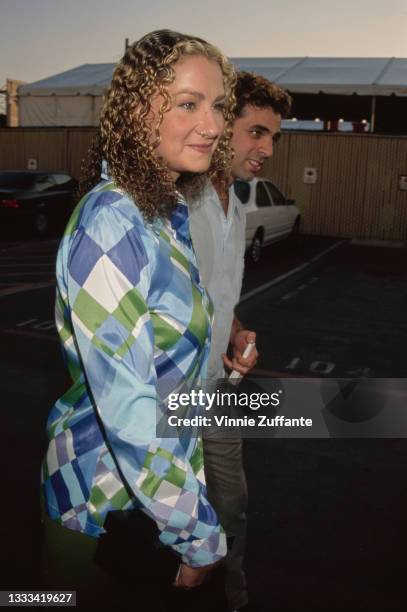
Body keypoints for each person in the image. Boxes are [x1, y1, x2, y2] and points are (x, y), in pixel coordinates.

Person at [41, 29, 237, 604]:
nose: (213, 123)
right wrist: (201, 539)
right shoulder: (113, 223)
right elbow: (129, 414)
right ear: (135, 112)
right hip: (100, 513)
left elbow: (160, 360)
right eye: (188, 103)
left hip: (155, 499)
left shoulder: (162, 212)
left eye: (219, 105)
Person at [189, 71, 292, 611]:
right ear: (223, 124)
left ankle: (233, 596)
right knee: (174, 512)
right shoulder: (177, 202)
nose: (267, 148)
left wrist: (235, 329)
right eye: (256, 132)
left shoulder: (240, 202)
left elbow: (216, 290)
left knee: (232, 502)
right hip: (172, 395)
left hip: (219, 387)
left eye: (273, 136)